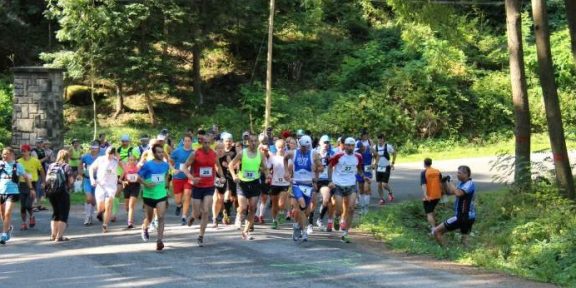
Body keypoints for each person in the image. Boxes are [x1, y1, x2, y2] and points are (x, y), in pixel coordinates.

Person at [184, 135, 224, 246]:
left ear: (211, 143)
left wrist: (222, 176)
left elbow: (218, 166)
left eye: (208, 143)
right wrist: (191, 178)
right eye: (204, 143)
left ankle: (201, 236)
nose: (206, 145)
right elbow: (184, 167)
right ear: (201, 143)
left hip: (209, 186)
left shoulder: (213, 154)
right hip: (197, 186)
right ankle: (192, 216)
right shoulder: (195, 153)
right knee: (197, 213)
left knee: (206, 210)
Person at [229, 134, 269, 240]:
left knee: (252, 208)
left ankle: (245, 231)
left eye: (255, 141)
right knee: (243, 208)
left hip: (255, 182)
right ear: (247, 142)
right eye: (251, 141)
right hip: (242, 183)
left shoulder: (260, 155)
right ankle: (239, 216)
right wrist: (234, 176)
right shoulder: (242, 153)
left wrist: (267, 174)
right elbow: (230, 165)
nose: (254, 143)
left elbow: (265, 168)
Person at [284, 135, 322, 241]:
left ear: (309, 145)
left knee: (306, 211)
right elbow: (285, 158)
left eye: (306, 146)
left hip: (308, 185)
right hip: (296, 184)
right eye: (302, 146)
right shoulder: (294, 153)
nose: (304, 148)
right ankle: (304, 231)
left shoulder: (314, 154)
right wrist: (286, 172)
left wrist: (317, 170)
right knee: (300, 205)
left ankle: (297, 226)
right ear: (299, 145)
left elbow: (321, 167)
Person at [328, 137, 365, 243]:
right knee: (339, 210)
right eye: (348, 145)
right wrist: (330, 180)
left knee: (351, 208)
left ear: (354, 146)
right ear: (344, 146)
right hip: (338, 185)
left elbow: (359, 169)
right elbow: (330, 167)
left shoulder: (358, 156)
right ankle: (336, 217)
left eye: (352, 145)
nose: (350, 147)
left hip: (351, 185)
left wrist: (363, 176)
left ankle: (345, 233)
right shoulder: (338, 155)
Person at [433, 166, 476, 247]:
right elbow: (450, 192)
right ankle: (465, 254)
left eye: (459, 173)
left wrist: (451, 180)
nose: (457, 175)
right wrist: (445, 182)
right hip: (467, 216)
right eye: (457, 173)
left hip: (463, 216)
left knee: (436, 231)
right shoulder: (462, 183)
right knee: (465, 241)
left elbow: (458, 193)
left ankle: (447, 251)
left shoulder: (469, 184)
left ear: (466, 174)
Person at [138, 144, 170, 251]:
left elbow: (166, 176)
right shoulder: (148, 165)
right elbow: (138, 176)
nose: (161, 154)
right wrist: (145, 184)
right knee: (149, 218)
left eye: (162, 152)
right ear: (154, 153)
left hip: (161, 194)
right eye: (159, 152)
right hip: (148, 195)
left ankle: (159, 241)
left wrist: (166, 188)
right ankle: (144, 227)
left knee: (161, 217)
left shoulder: (166, 165)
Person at [0, 147, 32, 245]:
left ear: (12, 154)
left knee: (7, 213)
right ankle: (8, 227)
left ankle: (4, 234)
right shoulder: (0, 164)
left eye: (7, 154)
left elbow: (26, 177)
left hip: (13, 192)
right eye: (3, 154)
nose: (5, 156)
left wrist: (31, 189)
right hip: (1, 191)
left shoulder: (18, 165)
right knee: (2, 213)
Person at [89, 146, 121, 233]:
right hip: (100, 186)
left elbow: (123, 166)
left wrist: (121, 177)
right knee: (100, 207)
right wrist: (92, 179)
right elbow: (91, 168)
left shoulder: (116, 160)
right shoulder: (100, 159)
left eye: (111, 154)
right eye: (107, 153)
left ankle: (105, 225)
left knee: (109, 204)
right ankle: (100, 212)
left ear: (113, 154)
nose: (108, 155)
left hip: (111, 187)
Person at [46, 150, 74, 242]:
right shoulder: (67, 166)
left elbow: (47, 180)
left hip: (51, 192)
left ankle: (52, 235)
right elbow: (71, 181)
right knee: (63, 214)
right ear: (67, 157)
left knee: (55, 213)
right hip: (62, 192)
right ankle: (59, 236)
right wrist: (69, 188)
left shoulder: (51, 165)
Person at [17, 144, 45, 231]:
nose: (24, 153)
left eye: (25, 151)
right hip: (22, 184)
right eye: (22, 151)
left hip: (33, 183)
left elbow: (42, 171)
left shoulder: (35, 161)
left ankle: (32, 216)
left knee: (28, 204)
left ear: (29, 151)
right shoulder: (18, 161)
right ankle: (24, 223)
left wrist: (44, 182)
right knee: (22, 206)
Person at [170, 134, 194, 225]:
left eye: (189, 141)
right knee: (178, 200)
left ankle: (184, 216)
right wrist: (173, 169)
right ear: (183, 142)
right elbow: (170, 161)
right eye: (186, 141)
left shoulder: (194, 152)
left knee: (187, 195)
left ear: (191, 142)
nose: (187, 142)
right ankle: (179, 205)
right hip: (178, 177)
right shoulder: (177, 151)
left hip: (188, 178)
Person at [315, 135, 336, 231]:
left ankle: (320, 219)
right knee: (310, 203)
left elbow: (335, 166)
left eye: (328, 142)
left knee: (327, 199)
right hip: (315, 179)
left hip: (326, 180)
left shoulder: (332, 153)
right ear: (320, 142)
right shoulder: (314, 152)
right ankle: (308, 221)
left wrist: (332, 179)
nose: (326, 144)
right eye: (324, 142)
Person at [267, 139, 290, 229]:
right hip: (274, 183)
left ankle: (281, 213)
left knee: (281, 204)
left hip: (285, 183)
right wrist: (268, 174)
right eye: (279, 147)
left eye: (282, 147)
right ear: (276, 147)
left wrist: (290, 176)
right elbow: (267, 168)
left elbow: (292, 170)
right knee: (274, 204)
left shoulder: (289, 158)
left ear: (285, 147)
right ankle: (274, 220)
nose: (280, 149)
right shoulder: (273, 158)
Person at [79, 141, 100, 225]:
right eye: (93, 148)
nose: (94, 150)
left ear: (98, 149)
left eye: (96, 148)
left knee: (94, 201)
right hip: (87, 180)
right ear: (90, 148)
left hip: (97, 181)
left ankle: (91, 215)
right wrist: (80, 173)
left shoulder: (101, 157)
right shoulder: (85, 157)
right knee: (88, 198)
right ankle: (87, 217)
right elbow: (80, 165)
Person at [219, 132, 238, 225]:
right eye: (226, 141)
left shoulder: (235, 151)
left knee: (232, 197)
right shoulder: (220, 150)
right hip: (221, 177)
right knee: (222, 196)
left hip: (232, 176)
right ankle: (224, 213)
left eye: (230, 141)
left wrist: (230, 166)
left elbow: (239, 164)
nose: (228, 143)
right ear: (223, 142)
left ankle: (227, 211)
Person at [355, 131, 375, 214]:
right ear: (361, 135)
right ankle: (362, 208)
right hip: (359, 167)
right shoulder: (357, 143)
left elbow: (376, 155)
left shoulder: (370, 143)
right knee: (361, 189)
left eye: (366, 135)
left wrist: (375, 164)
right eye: (363, 135)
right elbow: (354, 154)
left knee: (367, 188)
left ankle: (366, 208)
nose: (365, 136)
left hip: (368, 167)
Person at [420, 158, 443, 230]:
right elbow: (440, 183)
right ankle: (435, 225)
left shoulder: (424, 172)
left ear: (424, 164)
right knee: (432, 210)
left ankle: (434, 229)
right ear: (431, 163)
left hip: (429, 196)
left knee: (429, 213)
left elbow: (423, 184)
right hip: (437, 195)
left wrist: (425, 195)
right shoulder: (437, 171)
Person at [374, 134, 397, 205]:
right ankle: (381, 199)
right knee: (379, 185)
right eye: (379, 139)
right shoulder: (375, 147)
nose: (380, 140)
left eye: (381, 139)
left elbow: (394, 153)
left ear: (384, 139)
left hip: (386, 167)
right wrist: (374, 164)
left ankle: (390, 193)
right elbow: (373, 156)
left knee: (384, 184)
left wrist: (393, 163)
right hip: (378, 167)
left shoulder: (388, 146)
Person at [121, 154, 140, 229]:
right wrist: (123, 182)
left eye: (133, 160)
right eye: (130, 160)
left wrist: (138, 179)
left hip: (135, 187)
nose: (132, 161)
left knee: (131, 205)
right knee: (127, 207)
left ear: (135, 161)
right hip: (127, 187)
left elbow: (141, 178)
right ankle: (130, 215)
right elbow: (120, 179)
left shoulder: (138, 169)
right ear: (128, 161)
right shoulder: (126, 169)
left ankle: (130, 223)